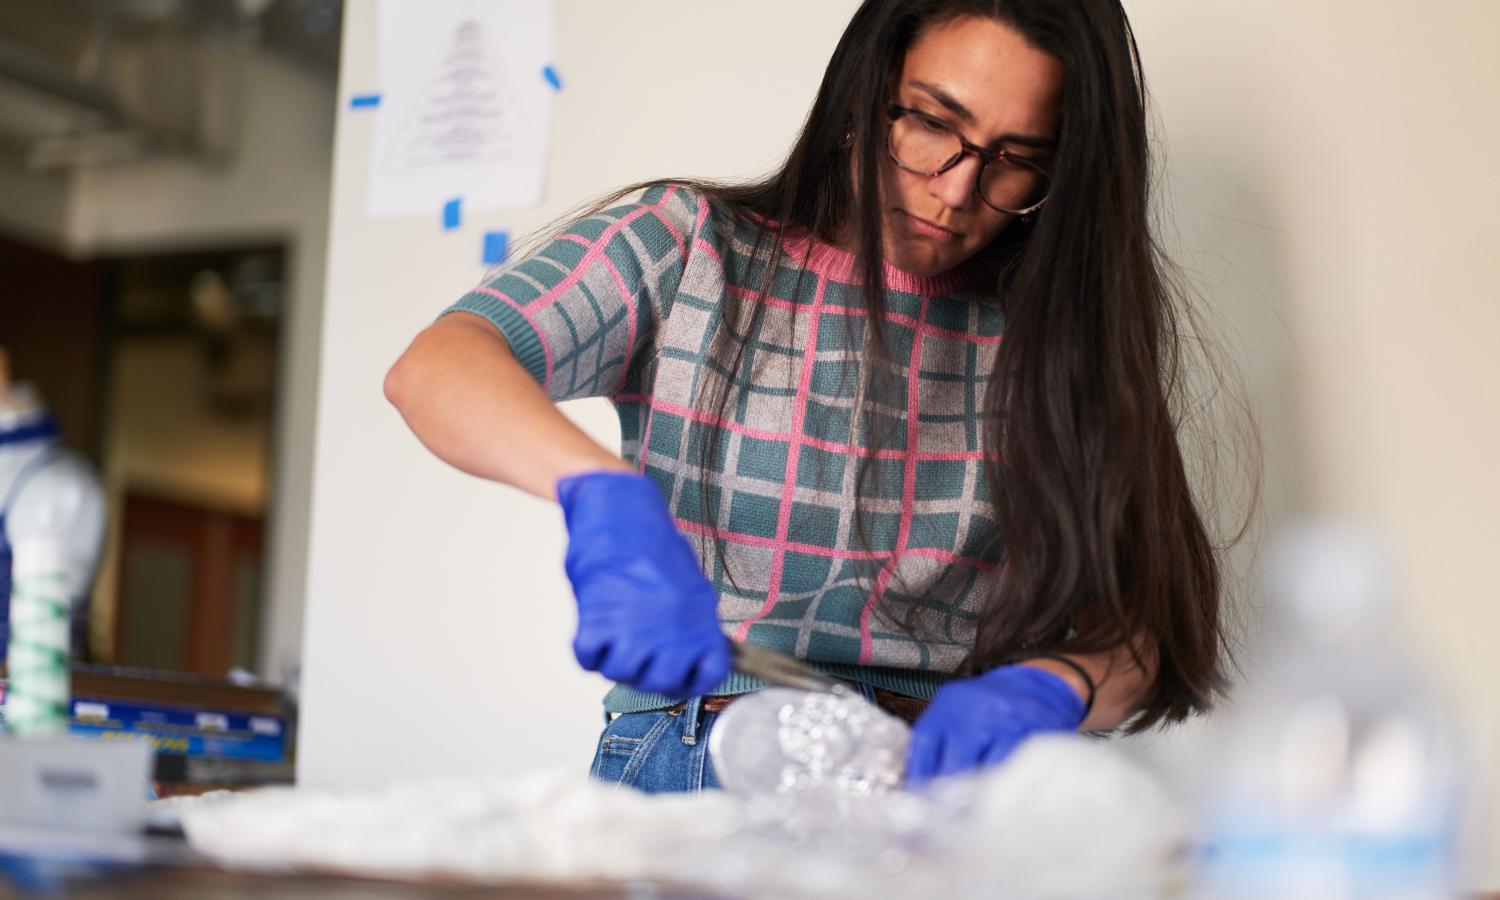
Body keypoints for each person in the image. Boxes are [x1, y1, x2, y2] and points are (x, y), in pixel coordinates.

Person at [386, 0, 1239, 793]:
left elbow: (1141, 628)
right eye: (934, 123)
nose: (955, 188)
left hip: (945, 786)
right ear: (864, 98)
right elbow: (440, 366)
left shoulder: (1050, 337)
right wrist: (599, 492)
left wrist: (1052, 686)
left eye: (1017, 162)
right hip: (712, 750)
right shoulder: (690, 247)